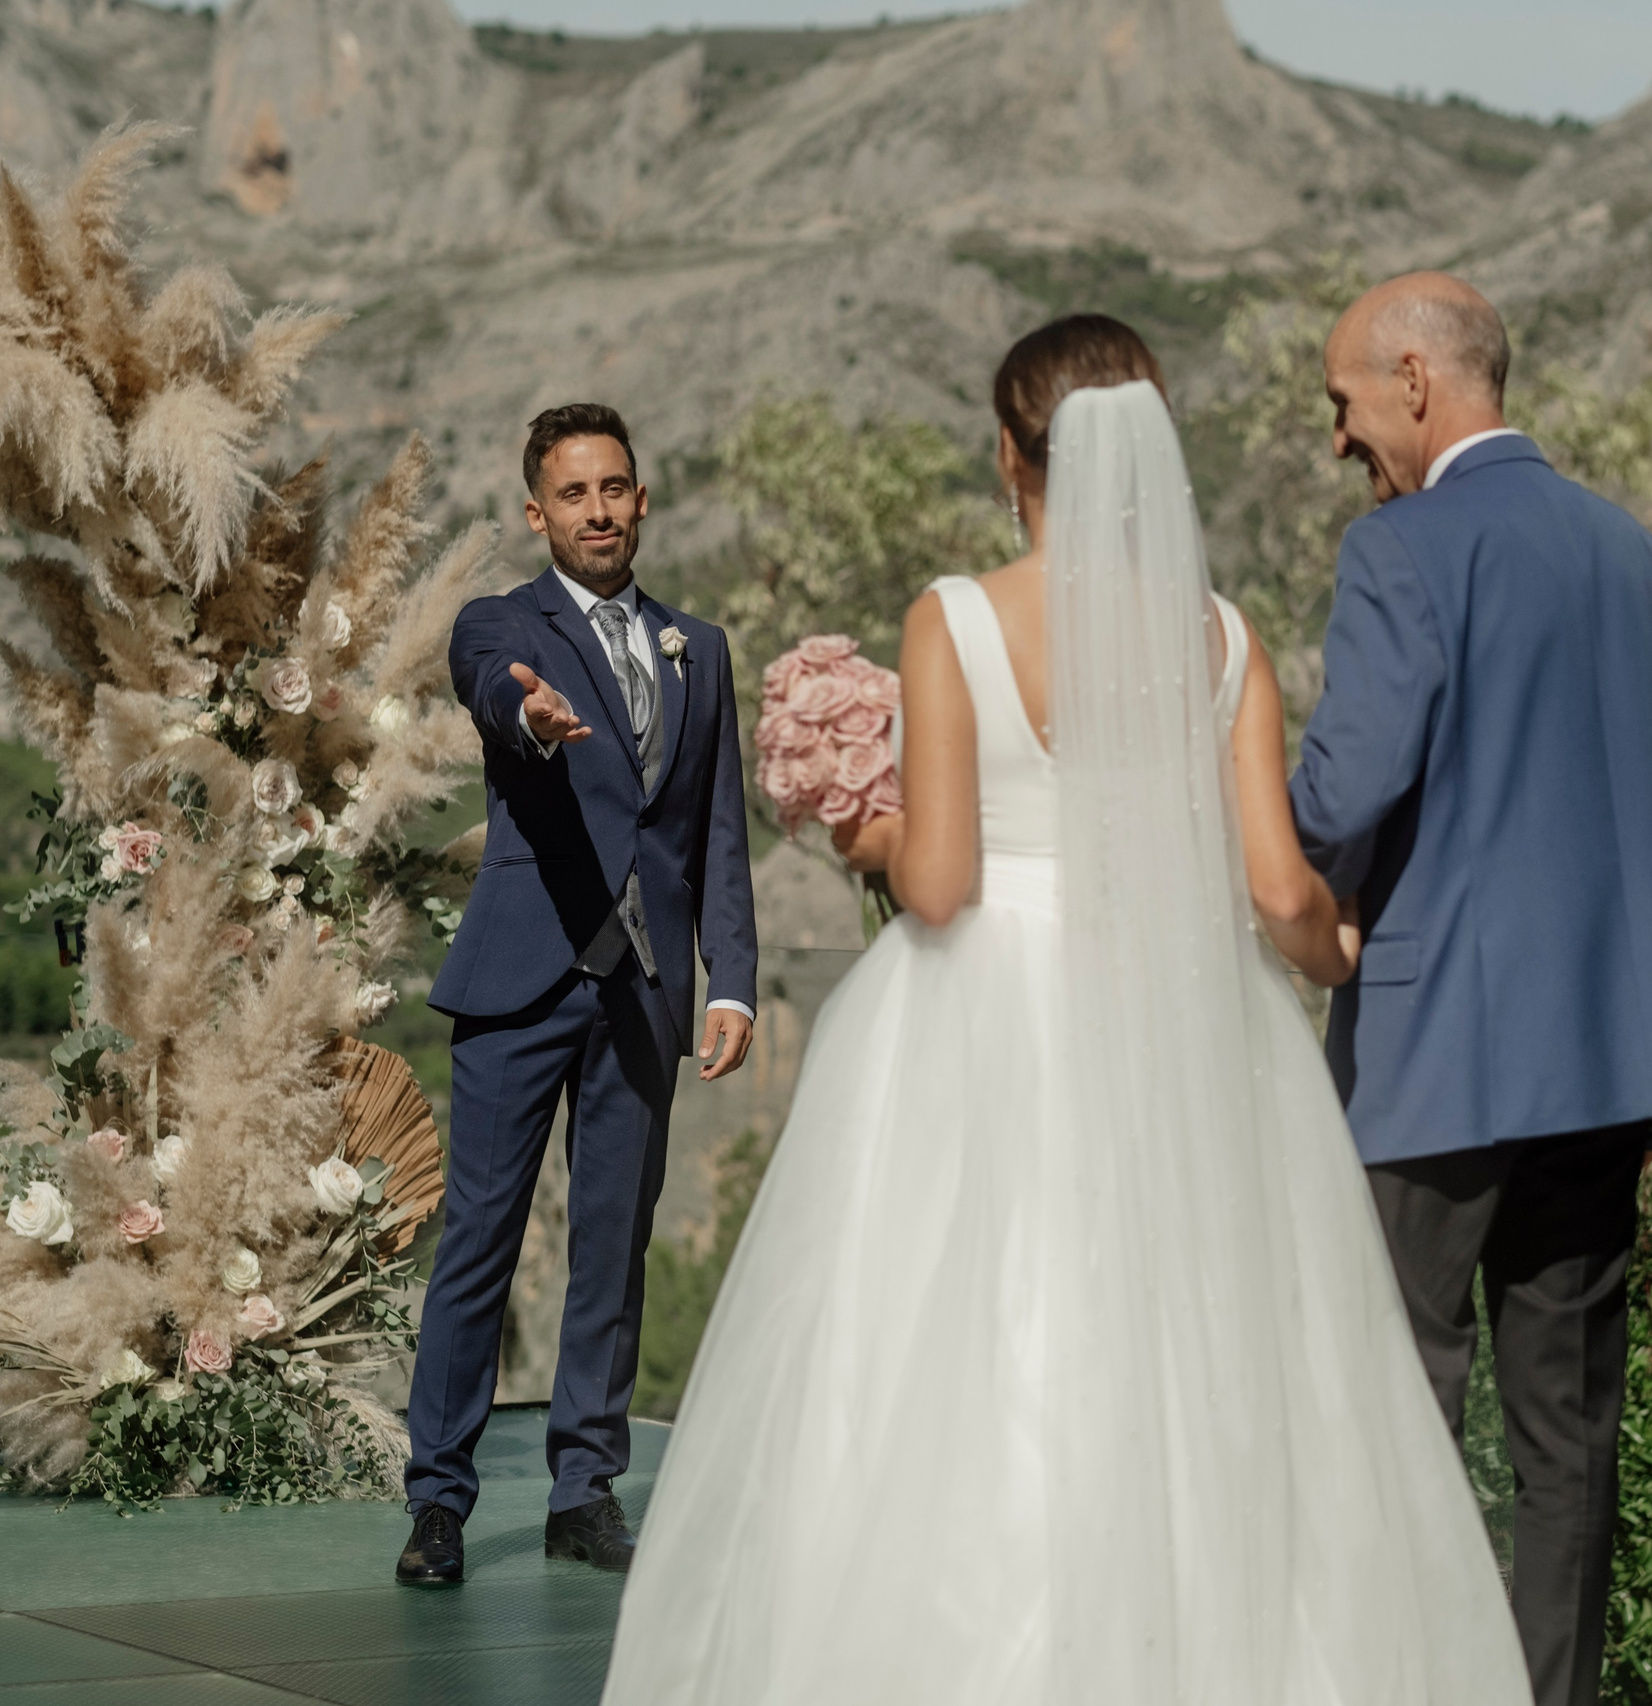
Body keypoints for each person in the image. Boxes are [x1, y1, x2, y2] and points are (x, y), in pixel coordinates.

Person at [598, 318, 1530, 1705]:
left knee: (969, 1356)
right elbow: (1281, 885)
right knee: (1214, 1359)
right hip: (1193, 1019)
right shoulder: (1220, 638)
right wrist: (1334, 958)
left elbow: (940, 880)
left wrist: (858, 833)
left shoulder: (957, 619)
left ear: (1009, 458)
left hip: (986, 1017)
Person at [1288, 273, 1652, 1706]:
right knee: (1569, 1437)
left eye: (1344, 402)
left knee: (1394, 1414)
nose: (1340, 440)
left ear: (1415, 378)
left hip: (1431, 1060)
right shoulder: (1637, 557)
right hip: (1605, 1061)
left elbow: (1342, 797)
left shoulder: (1401, 552)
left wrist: (1246, 828)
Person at [393, 403, 759, 1587]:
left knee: (614, 1246)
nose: (596, 510)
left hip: (647, 992)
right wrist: (530, 712)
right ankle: (439, 1499)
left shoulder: (697, 647)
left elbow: (714, 834)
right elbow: (483, 681)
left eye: (614, 488)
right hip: (521, 979)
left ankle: (582, 1489)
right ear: (537, 510)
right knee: (479, 1243)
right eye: (573, 493)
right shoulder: (505, 623)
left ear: (640, 499)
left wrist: (734, 981)